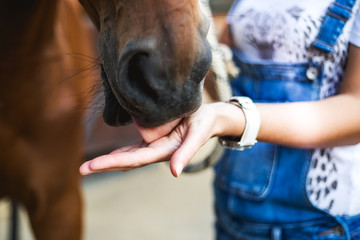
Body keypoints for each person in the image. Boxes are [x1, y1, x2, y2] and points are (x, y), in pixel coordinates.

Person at [80, 0, 360, 239]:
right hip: (234, 212)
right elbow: (227, 75)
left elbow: (356, 109)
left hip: (322, 224)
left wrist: (227, 119)